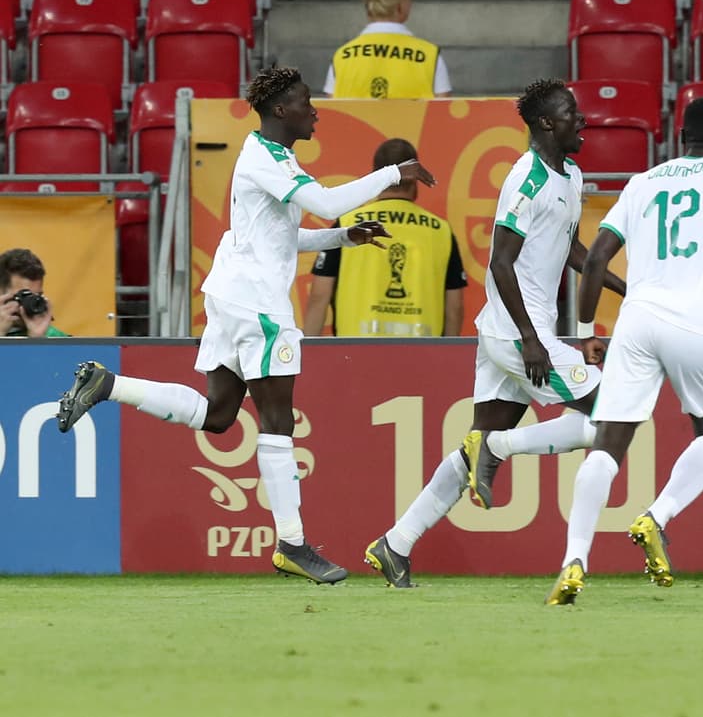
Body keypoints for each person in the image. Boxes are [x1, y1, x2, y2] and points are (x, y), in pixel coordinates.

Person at [55, 67, 436, 585]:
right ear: (282, 109)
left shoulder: (267, 157)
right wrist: (394, 173)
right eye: (306, 101)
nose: (315, 110)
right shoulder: (267, 158)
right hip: (258, 305)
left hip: (230, 295)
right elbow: (323, 202)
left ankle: (109, 384)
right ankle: (294, 545)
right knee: (278, 421)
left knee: (218, 415)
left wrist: (342, 239)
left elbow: (281, 238)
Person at [363, 78, 626, 589]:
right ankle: (501, 447)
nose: (583, 120)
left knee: (469, 451)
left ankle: (395, 544)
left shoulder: (570, 175)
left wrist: (621, 287)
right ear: (547, 123)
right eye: (572, 113)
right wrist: (530, 338)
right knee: (612, 415)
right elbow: (500, 263)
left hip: (518, 331)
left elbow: (570, 248)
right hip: (515, 333)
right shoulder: (524, 180)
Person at [546, 96, 703, 606]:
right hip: (698, 323)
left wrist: (585, 331)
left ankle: (573, 559)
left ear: (680, 137)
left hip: (636, 323)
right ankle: (657, 516)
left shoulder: (643, 182)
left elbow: (596, 256)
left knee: (607, 444)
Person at [302, 138, 467, 337]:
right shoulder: (441, 230)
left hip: (354, 354)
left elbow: (319, 296)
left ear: (376, 177)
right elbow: (454, 308)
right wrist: (447, 360)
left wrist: (308, 356)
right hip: (423, 357)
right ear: (416, 177)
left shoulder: (348, 224)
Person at [324, 0, 452, 99]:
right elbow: (442, 116)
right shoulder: (430, 57)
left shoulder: (341, 58)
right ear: (400, 6)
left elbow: (333, 116)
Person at [0, 248, 69, 338]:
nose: (29, 304)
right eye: (23, 295)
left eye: (36, 296)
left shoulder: (55, 338)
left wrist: (37, 339)